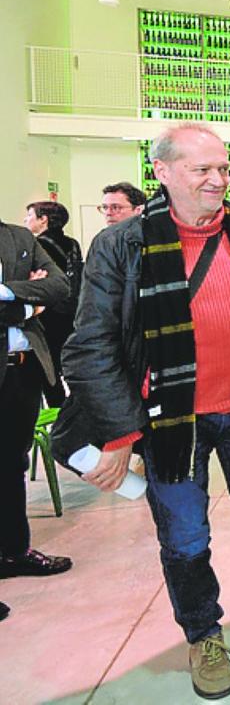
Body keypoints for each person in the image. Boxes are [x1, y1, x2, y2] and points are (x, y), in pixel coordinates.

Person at [63, 123, 230, 700]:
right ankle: (203, 632)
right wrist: (120, 433)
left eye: (223, 168)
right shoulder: (123, 244)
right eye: (201, 169)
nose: (217, 179)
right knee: (185, 536)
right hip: (170, 421)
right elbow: (91, 345)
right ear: (162, 172)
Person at [0, 219, 71, 600]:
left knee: (12, 463)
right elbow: (40, 294)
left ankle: (14, 552)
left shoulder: (19, 237)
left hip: (23, 369)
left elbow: (58, 286)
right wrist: (27, 307)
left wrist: (6, 292)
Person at [23, 201, 82, 406]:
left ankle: (57, 410)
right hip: (72, 312)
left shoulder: (36, 247)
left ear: (43, 220)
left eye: (30, 215)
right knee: (68, 363)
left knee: (48, 368)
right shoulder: (72, 244)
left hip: (47, 313)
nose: (25, 220)